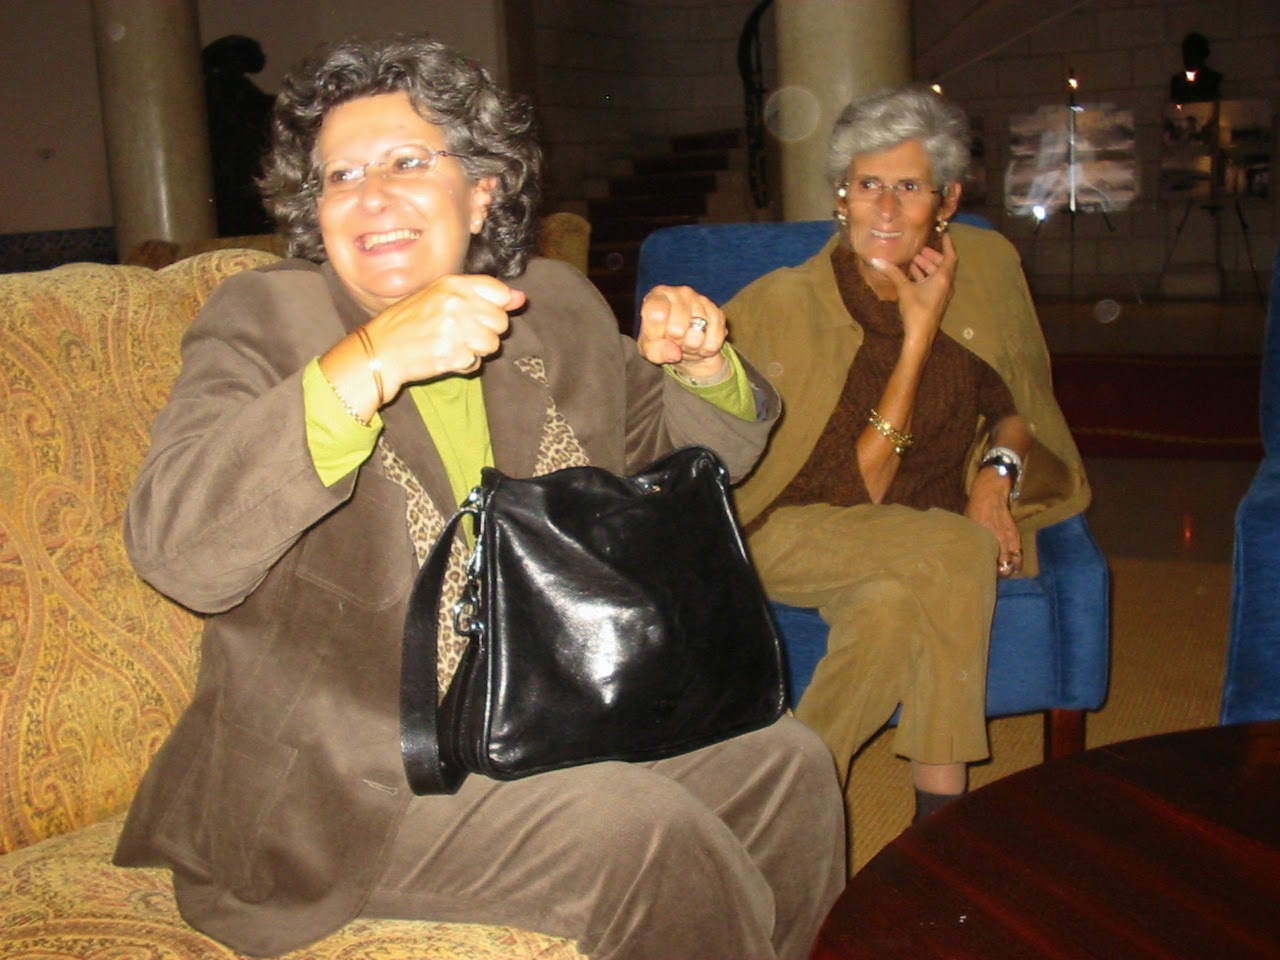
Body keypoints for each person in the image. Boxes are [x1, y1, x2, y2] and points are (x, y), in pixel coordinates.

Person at [113, 34, 844, 960]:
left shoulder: (550, 306)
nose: (372, 195)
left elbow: (669, 462)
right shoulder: (263, 320)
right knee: (637, 834)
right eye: (341, 176)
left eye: (408, 162)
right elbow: (178, 551)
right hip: (356, 773)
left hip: (560, 706)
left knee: (789, 764)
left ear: (483, 190)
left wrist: (703, 369)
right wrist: (367, 362)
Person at [723, 87, 1089, 828]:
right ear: (842, 195)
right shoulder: (785, 305)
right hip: (793, 527)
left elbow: (1015, 406)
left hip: (910, 533)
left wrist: (993, 479)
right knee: (958, 549)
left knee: (888, 614)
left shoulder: (983, 272)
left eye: (910, 187)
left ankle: (782, 806)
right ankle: (943, 816)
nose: (886, 209)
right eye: (868, 184)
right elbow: (860, 486)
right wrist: (918, 336)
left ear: (946, 200)